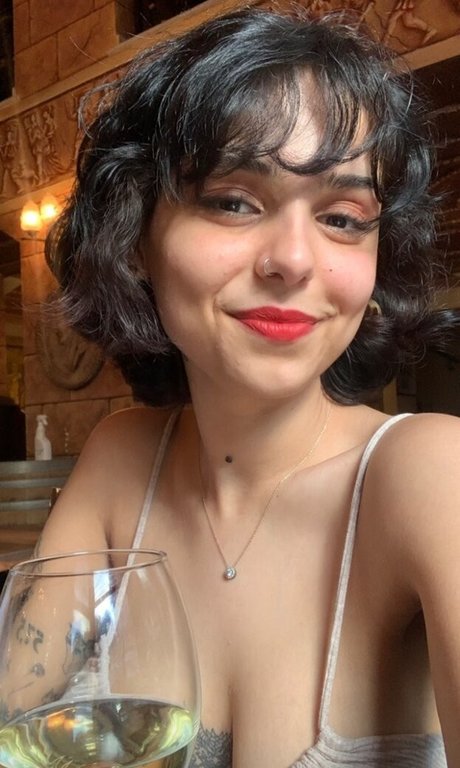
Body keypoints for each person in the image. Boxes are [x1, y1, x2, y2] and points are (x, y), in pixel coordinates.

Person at [38, 5, 460, 766]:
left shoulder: (430, 474)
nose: (293, 261)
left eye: (343, 218)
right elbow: (23, 703)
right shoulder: (121, 460)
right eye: (233, 201)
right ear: (135, 237)